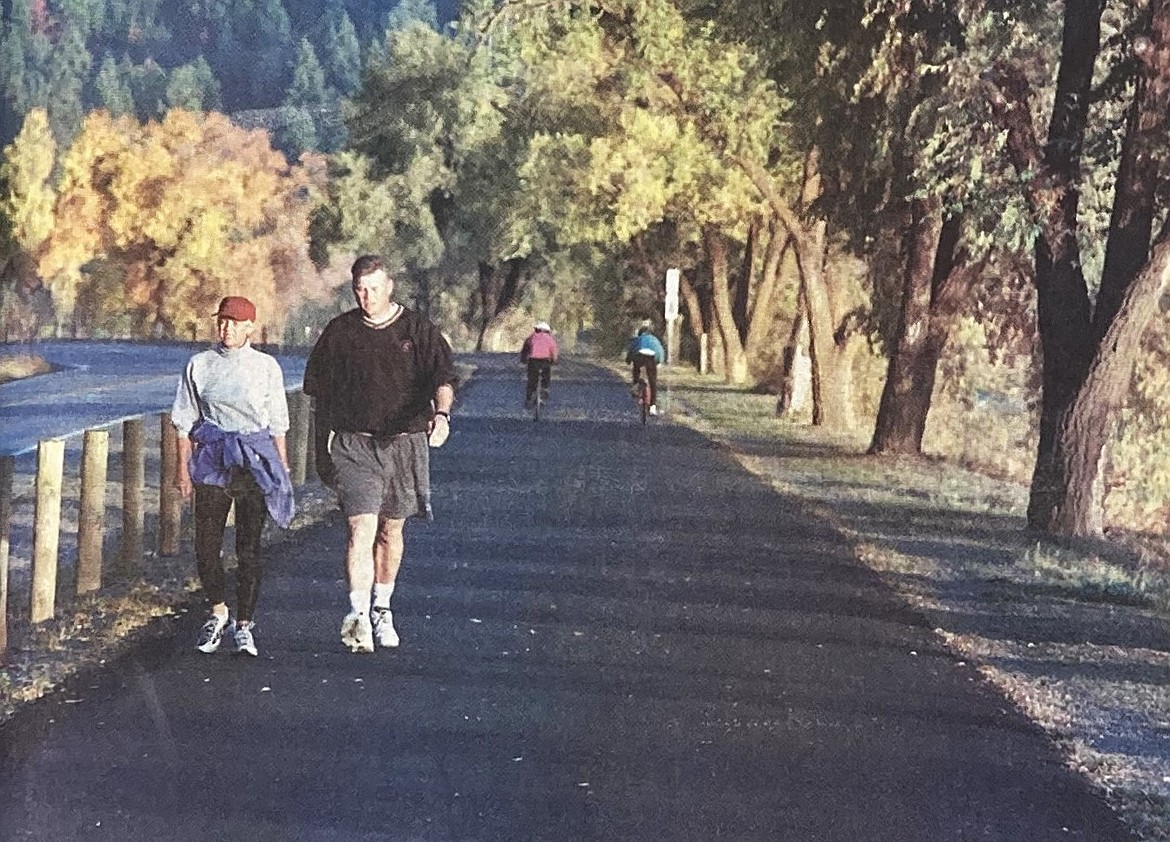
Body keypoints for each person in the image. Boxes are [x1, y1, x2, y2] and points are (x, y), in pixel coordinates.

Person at [304, 255, 456, 654]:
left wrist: (441, 415)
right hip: (355, 444)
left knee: (391, 530)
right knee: (361, 529)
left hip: (404, 443)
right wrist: (321, 449)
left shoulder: (417, 330)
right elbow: (318, 395)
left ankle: (381, 608)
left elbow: (443, 380)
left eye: (373, 288)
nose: (366, 296)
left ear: (389, 287)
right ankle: (356, 615)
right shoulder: (340, 333)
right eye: (359, 289)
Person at [171, 295, 294, 658]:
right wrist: (182, 470)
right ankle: (218, 611)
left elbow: (278, 423)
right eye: (222, 321)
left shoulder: (266, 367)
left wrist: (281, 470)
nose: (226, 328)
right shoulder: (199, 365)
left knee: (248, 548)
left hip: (253, 460)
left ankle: (244, 624)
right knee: (206, 546)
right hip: (212, 458)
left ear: (249, 328)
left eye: (235, 323)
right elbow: (183, 421)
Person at [625, 320, 666, 415]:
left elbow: (631, 350)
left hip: (639, 356)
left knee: (636, 367)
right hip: (651, 358)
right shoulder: (655, 340)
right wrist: (659, 362)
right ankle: (652, 407)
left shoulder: (638, 339)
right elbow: (660, 351)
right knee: (653, 383)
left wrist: (628, 360)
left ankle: (635, 384)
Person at [520, 321, 559, 407]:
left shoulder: (531, 338)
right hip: (545, 361)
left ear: (536, 329)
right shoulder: (550, 339)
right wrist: (554, 360)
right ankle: (544, 393)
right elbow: (554, 351)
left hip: (533, 361)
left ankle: (529, 398)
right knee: (546, 378)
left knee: (531, 380)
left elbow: (525, 350)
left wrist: (523, 360)